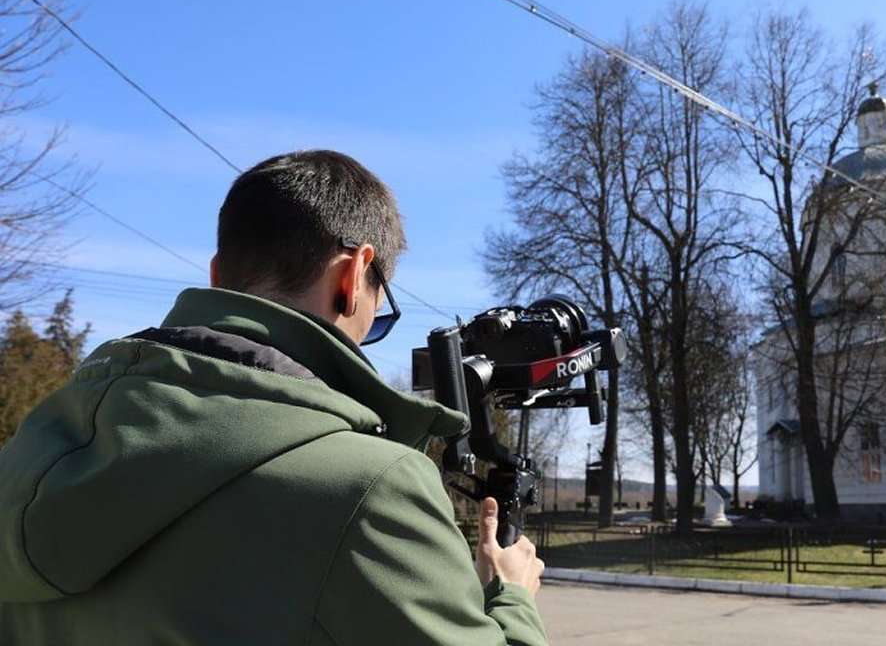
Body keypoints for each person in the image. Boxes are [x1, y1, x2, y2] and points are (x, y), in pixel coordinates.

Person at [0, 150, 548, 645]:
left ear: (217, 277)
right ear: (353, 275)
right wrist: (512, 598)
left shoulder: (31, 456)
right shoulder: (370, 490)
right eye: (377, 313)